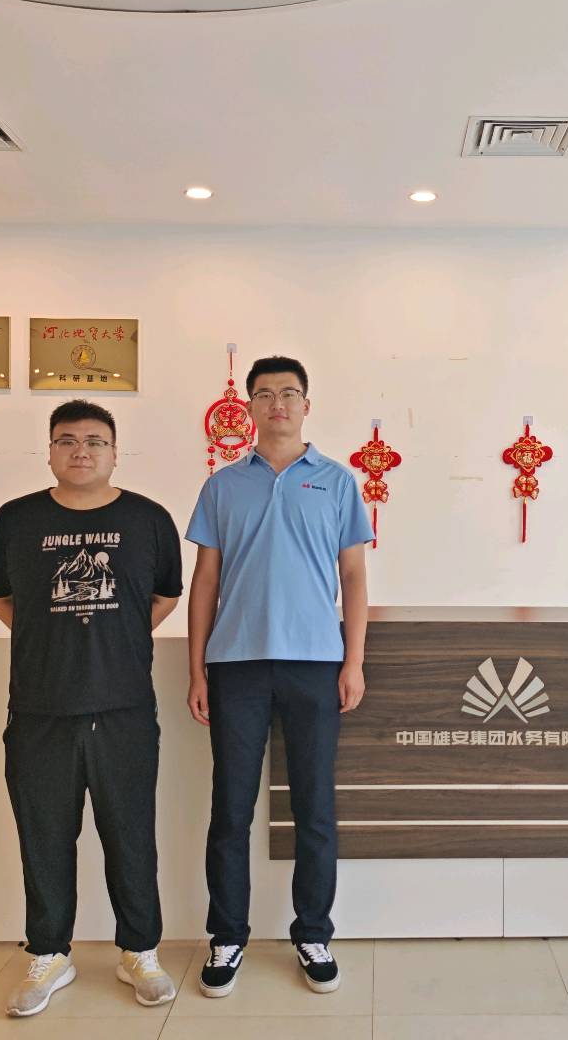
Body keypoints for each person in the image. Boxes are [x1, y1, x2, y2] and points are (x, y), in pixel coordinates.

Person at [0, 399, 183, 1017]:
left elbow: (163, 597)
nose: (81, 451)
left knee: (131, 833)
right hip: (40, 708)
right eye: (66, 440)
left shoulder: (149, 519)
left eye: (95, 441)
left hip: (124, 707)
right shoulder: (15, 520)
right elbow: (1, 599)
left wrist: (113, 645)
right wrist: (52, 644)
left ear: (115, 452)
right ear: (49, 451)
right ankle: (49, 952)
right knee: (43, 835)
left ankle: (139, 952)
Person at [184, 355, 373, 997]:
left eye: (289, 394)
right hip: (235, 663)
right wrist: (197, 669)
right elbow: (205, 581)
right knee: (231, 809)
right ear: (250, 408)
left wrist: (353, 660)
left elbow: (354, 576)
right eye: (265, 395)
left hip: (315, 662)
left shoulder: (338, 482)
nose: (278, 404)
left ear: (306, 405)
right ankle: (227, 936)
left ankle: (313, 932)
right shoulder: (222, 486)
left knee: (315, 807)